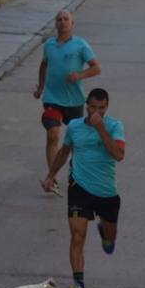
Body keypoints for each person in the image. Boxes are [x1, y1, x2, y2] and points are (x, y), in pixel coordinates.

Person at [40, 88, 125, 288]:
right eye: (94, 107)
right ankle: (79, 285)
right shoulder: (75, 126)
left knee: (110, 239)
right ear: (87, 105)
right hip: (79, 187)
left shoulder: (114, 126)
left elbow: (118, 155)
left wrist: (100, 128)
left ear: (107, 107)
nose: (98, 111)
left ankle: (105, 234)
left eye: (102, 107)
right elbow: (64, 152)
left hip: (106, 191)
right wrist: (51, 176)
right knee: (77, 236)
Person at [34, 10, 101, 194]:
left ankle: (79, 175)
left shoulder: (80, 45)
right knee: (53, 134)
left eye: (66, 19)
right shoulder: (49, 45)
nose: (62, 22)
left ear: (72, 24)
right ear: (55, 24)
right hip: (52, 99)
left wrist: (80, 75)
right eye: (59, 19)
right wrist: (40, 87)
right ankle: (52, 177)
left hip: (74, 101)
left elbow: (96, 68)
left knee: (73, 143)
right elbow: (44, 64)